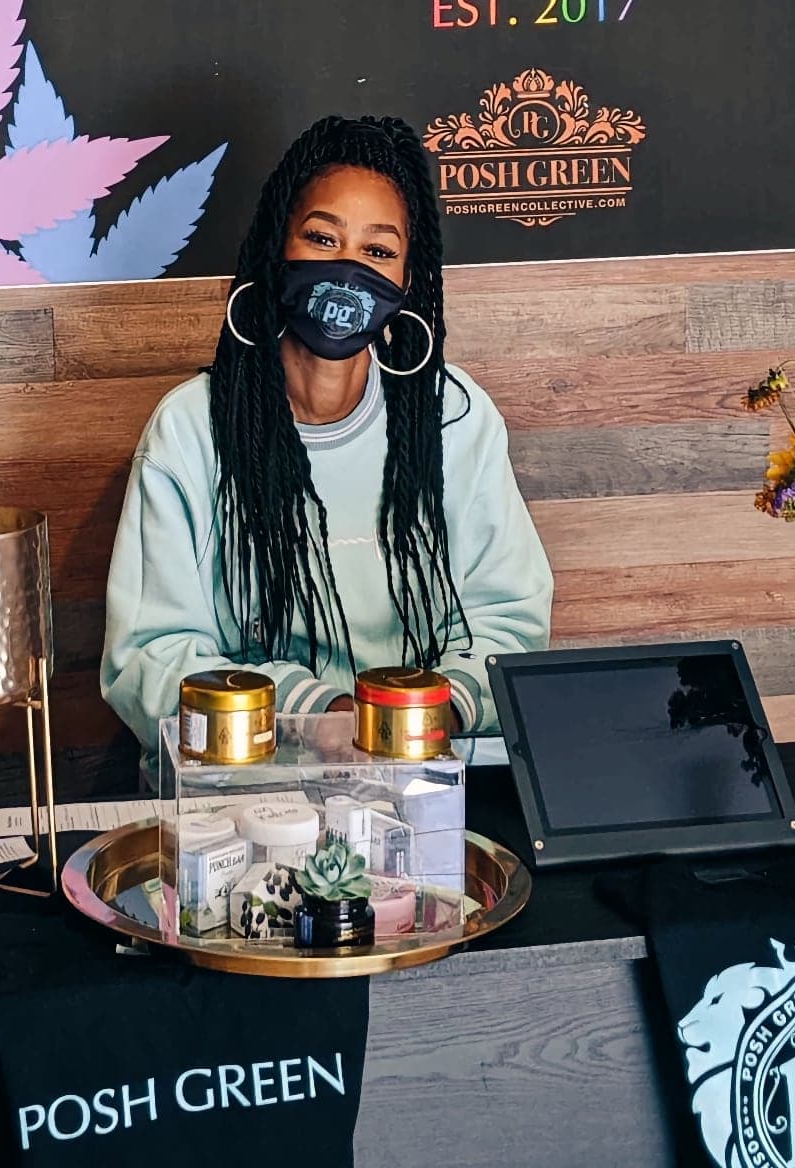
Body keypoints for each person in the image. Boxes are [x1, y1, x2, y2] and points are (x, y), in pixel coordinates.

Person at [100, 114, 553, 767]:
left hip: (428, 777)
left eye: (377, 251)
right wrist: (320, 716)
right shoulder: (190, 430)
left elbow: (509, 621)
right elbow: (149, 660)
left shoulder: (453, 418)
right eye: (321, 238)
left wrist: (418, 718)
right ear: (275, 249)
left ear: (406, 281)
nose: (347, 272)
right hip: (248, 792)